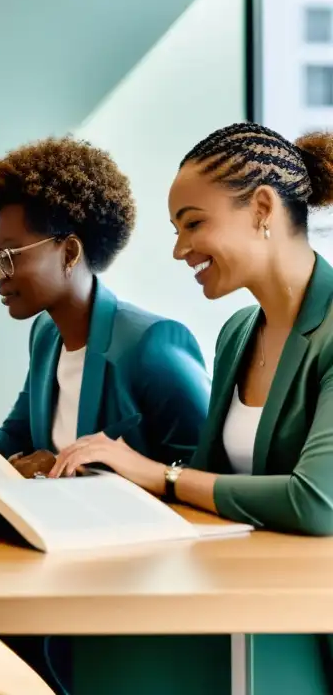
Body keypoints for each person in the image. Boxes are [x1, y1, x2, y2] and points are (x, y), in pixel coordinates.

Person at [0, 136, 213, 694]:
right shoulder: (48, 334)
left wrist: (81, 477)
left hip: (136, 588)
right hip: (61, 563)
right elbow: (19, 437)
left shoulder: (153, 345)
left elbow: (203, 473)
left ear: (69, 252)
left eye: (10, 255)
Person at [48, 122, 333, 690]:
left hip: (308, 620)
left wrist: (159, 475)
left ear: (261, 208)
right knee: (83, 638)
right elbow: (208, 485)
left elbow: (315, 501)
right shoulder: (238, 332)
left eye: (194, 224)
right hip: (242, 595)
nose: (181, 250)